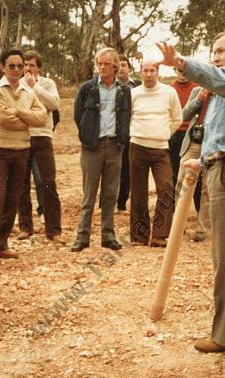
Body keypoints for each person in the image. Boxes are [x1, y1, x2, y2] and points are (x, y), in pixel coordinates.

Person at [157, 29, 225, 353]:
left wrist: (180, 62)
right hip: (224, 168)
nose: (215, 57)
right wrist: (202, 161)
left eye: (220, 51)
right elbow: (220, 134)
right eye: (213, 52)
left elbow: (219, 81)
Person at [0, 49, 46, 261]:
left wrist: (18, 112)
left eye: (20, 66)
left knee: (13, 199)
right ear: (2, 67)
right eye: (12, 66)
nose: (17, 70)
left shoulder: (29, 91)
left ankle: (1, 244)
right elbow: (2, 119)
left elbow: (42, 117)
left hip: (22, 151)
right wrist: (27, 118)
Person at [72, 47, 131, 252]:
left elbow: (126, 116)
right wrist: (88, 135)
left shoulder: (124, 90)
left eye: (106, 64)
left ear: (115, 66)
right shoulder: (87, 88)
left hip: (114, 146)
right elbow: (78, 116)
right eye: (99, 63)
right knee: (89, 194)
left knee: (110, 194)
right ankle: (82, 237)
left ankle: (108, 236)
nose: (102, 67)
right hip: (92, 147)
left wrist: (122, 139)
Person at [129, 60, 182, 247]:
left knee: (166, 189)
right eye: (145, 70)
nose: (149, 74)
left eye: (152, 70)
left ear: (158, 72)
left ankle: (160, 235)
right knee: (138, 192)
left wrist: (165, 133)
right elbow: (127, 117)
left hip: (161, 149)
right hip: (137, 147)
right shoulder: (133, 93)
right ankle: (139, 236)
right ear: (141, 72)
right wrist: (134, 133)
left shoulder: (169, 92)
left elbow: (177, 117)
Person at [16, 50, 65, 244]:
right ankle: (25, 226)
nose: (27, 69)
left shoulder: (47, 84)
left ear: (39, 68)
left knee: (47, 183)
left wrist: (35, 86)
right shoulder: (16, 85)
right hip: (22, 137)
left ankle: (54, 230)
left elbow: (53, 104)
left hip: (43, 137)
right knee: (21, 184)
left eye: (31, 65)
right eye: (24, 65)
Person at [176, 85, 211, 242]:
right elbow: (184, 114)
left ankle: (202, 229)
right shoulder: (198, 90)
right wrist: (198, 99)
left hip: (211, 144)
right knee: (182, 182)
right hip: (193, 142)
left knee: (206, 188)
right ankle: (178, 225)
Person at [116, 55, 140, 212]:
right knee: (112, 168)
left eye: (124, 65)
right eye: (118, 65)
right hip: (115, 130)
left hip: (133, 131)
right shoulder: (110, 85)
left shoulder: (137, 86)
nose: (121, 68)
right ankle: (106, 202)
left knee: (127, 168)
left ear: (129, 68)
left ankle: (122, 203)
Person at [168, 68, 197, 187]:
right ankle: (174, 203)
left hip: (191, 135)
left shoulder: (196, 89)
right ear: (175, 70)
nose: (182, 74)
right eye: (179, 70)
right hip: (175, 133)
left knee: (192, 170)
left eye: (185, 70)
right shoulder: (170, 89)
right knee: (174, 169)